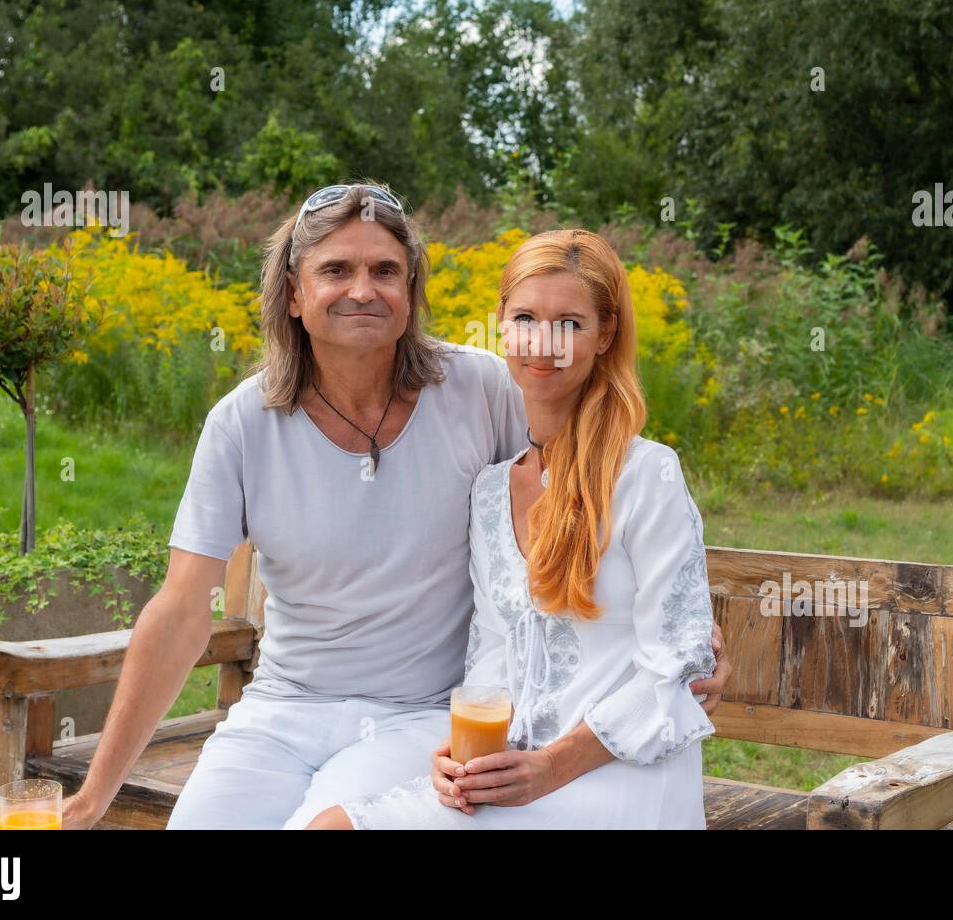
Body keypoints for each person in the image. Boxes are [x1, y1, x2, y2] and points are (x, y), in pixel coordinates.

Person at [0, 182, 732, 830]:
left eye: (386, 270)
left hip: (419, 716)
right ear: (294, 292)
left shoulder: (482, 389)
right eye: (336, 269)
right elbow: (182, 609)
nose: (363, 288)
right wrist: (91, 800)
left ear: (411, 291)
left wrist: (684, 644)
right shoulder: (242, 424)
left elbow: (594, 481)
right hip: (281, 708)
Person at [305, 228, 717, 829]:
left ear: (605, 334)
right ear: (502, 324)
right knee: (325, 819)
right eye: (526, 317)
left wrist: (548, 767)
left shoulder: (646, 474)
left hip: (621, 779)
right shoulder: (493, 490)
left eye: (570, 324)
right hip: (514, 768)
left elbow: (678, 665)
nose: (543, 343)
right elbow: (493, 654)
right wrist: (461, 755)